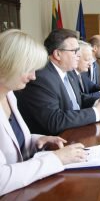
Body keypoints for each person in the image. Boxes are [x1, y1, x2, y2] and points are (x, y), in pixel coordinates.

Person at [0, 29, 87, 196]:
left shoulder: (9, 94)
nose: (34, 76)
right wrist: (57, 159)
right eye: (29, 69)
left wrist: (38, 139)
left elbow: (10, 141)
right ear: (8, 64)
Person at [15, 29, 100, 135]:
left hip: (75, 131)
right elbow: (55, 121)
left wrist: (98, 100)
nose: (79, 55)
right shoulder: (41, 78)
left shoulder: (69, 72)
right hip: (54, 141)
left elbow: (77, 100)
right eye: (75, 51)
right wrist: (97, 112)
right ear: (58, 54)